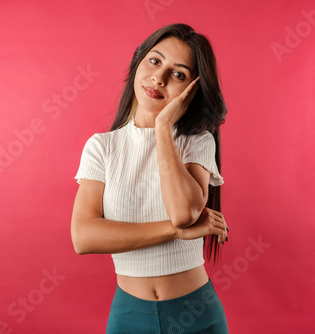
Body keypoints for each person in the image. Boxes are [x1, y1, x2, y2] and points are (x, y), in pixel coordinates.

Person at [71, 23, 229, 333]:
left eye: (179, 74)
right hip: (129, 315)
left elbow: (184, 213)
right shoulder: (102, 147)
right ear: (138, 61)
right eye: (155, 61)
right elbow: (84, 237)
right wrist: (173, 232)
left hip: (196, 314)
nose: (159, 77)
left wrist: (162, 127)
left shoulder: (196, 142)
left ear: (191, 91)